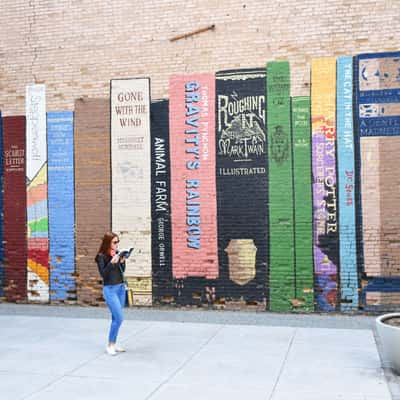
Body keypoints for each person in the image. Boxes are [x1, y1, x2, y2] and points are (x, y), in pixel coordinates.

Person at [95, 232, 127, 356]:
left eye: (118, 242)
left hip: (120, 288)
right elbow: (104, 274)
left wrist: (122, 261)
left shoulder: (116, 254)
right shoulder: (101, 256)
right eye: (114, 242)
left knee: (115, 318)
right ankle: (110, 345)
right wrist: (112, 263)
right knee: (119, 318)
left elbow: (121, 271)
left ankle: (114, 342)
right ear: (108, 243)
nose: (117, 244)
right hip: (110, 289)